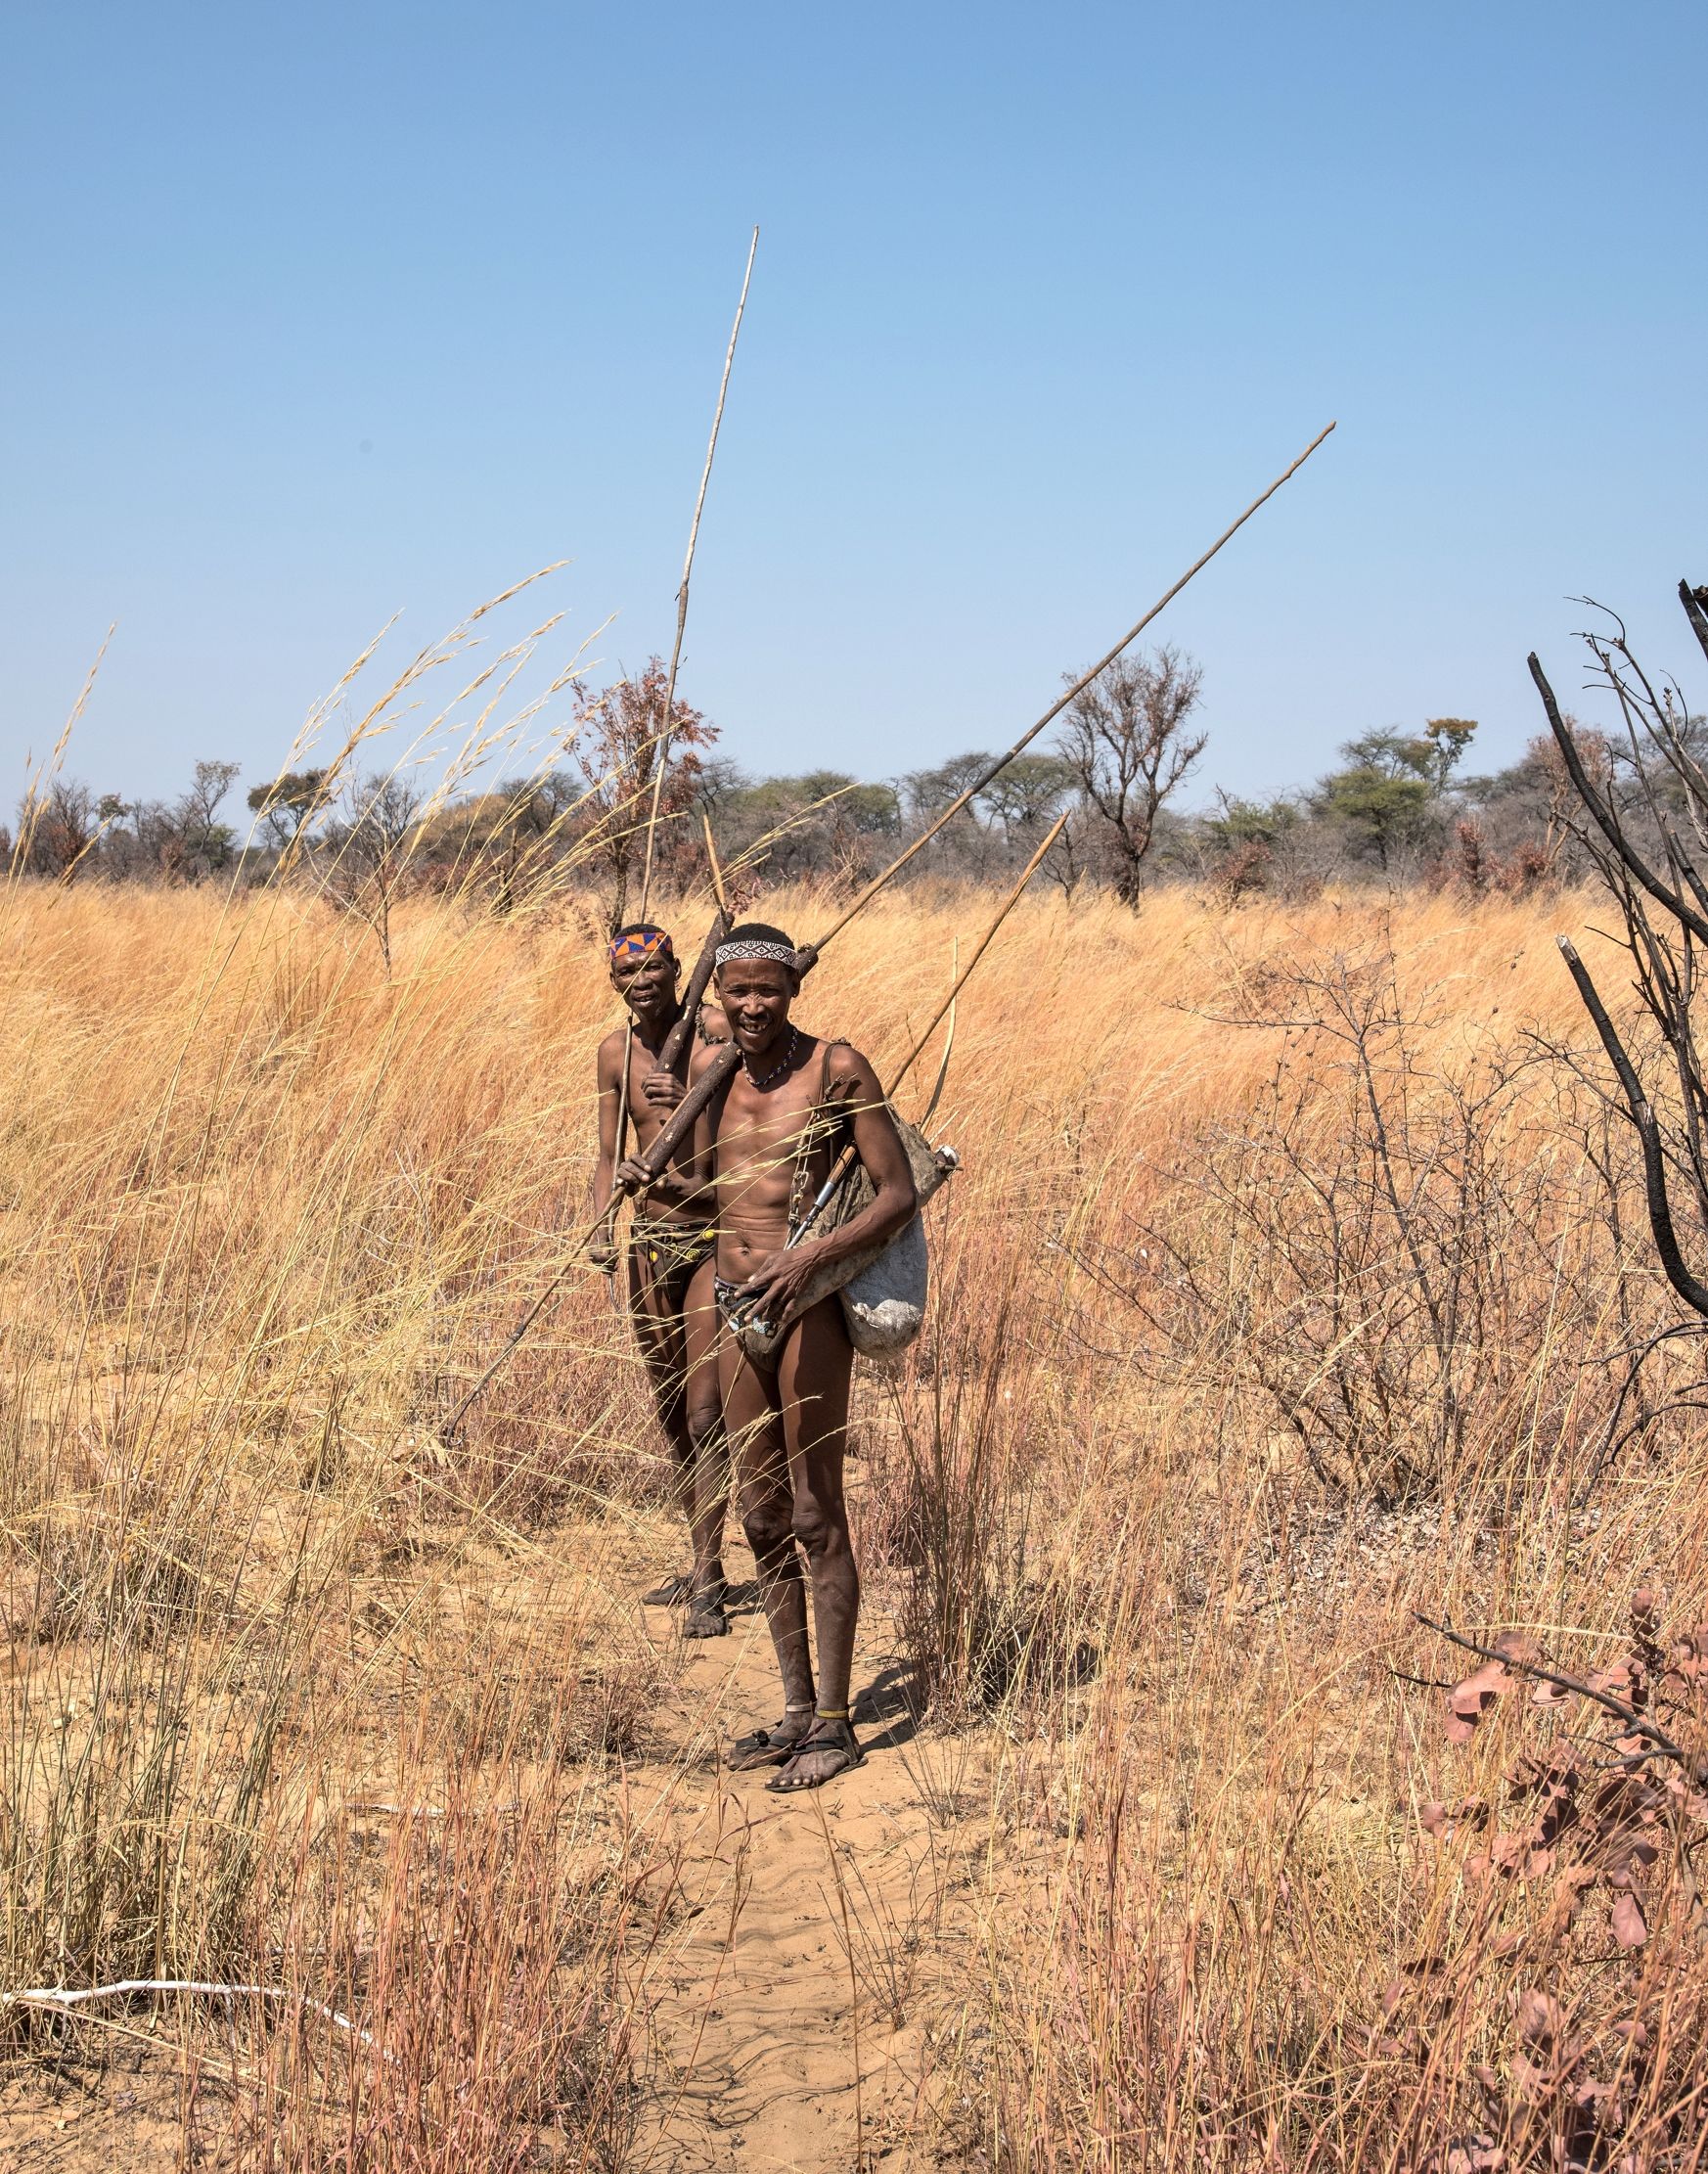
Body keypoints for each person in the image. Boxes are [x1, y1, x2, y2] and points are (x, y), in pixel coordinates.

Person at [680, 921, 917, 1790]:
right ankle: (793, 1707)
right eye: (735, 989)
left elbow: (895, 1193)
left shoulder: (837, 1068)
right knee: (761, 1513)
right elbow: (717, 1191)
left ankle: (835, 1723)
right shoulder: (719, 1073)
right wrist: (652, 1180)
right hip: (736, 1305)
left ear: (794, 992)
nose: (751, 1005)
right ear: (717, 995)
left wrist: (806, 1258)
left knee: (817, 1514)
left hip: (807, 1308)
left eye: (767, 990)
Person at [590, 921, 731, 1637]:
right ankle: (701, 1557)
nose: (644, 982)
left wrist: (688, 1097)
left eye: (656, 969)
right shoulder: (615, 1053)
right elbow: (607, 1149)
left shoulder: (717, 1041)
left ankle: (710, 1578)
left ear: (679, 971)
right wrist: (597, 1222)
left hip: (711, 1238)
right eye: (629, 973)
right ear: (615, 983)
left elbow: (742, 1149)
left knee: (709, 1412)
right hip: (648, 1238)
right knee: (673, 1409)